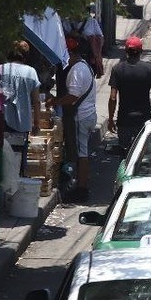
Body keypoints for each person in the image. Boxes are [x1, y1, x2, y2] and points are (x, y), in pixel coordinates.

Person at [55, 36, 98, 202]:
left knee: (82, 154)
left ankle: (82, 189)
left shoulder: (76, 71)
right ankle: (80, 184)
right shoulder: (83, 66)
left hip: (81, 117)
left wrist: (56, 101)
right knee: (81, 153)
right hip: (87, 115)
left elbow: (72, 97)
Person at [0, 40, 43, 161]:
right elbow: (36, 101)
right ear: (26, 56)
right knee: (18, 159)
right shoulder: (31, 72)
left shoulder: (0, 68)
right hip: (22, 124)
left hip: (1, 121)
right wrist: (37, 124)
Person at [108, 36, 151, 156]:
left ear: (126, 51)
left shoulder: (117, 69)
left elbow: (113, 98)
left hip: (124, 120)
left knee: (124, 153)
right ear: (141, 51)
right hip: (143, 119)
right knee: (142, 153)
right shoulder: (150, 69)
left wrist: (111, 119)